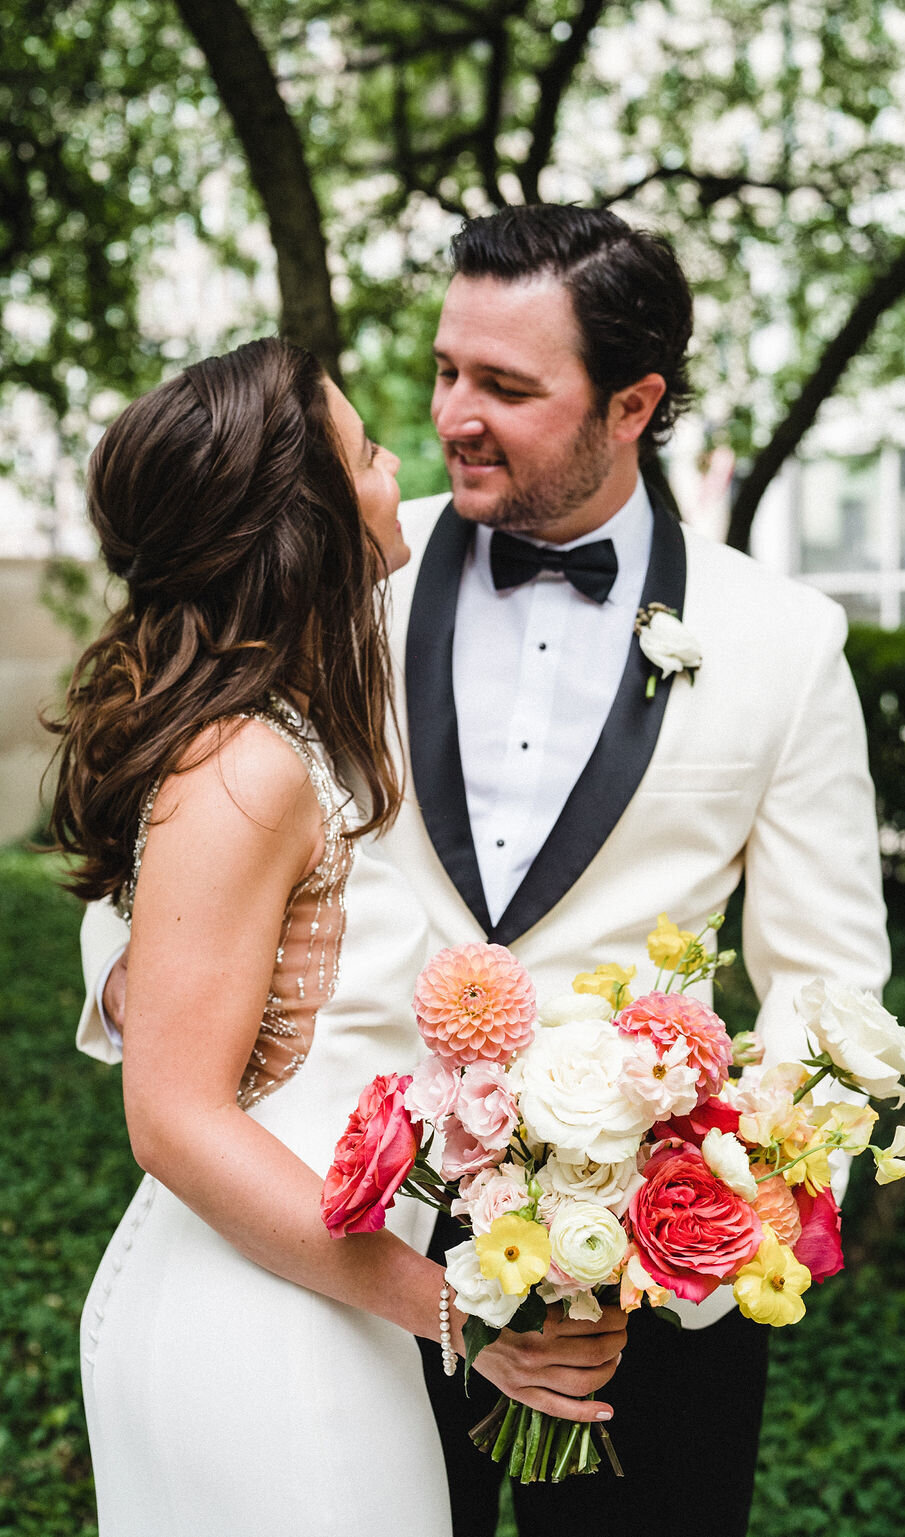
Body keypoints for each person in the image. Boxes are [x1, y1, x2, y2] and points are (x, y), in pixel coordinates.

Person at [56, 336, 627, 1537]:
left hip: (313, 1299)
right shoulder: (246, 763)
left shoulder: (275, 732)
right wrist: (458, 1313)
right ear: (305, 518)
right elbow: (174, 1116)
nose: (394, 467)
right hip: (256, 1323)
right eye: (368, 453)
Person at [377, 205, 890, 1537]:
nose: (454, 414)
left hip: (651, 1300)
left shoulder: (783, 641)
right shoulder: (341, 580)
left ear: (632, 402)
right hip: (361, 1244)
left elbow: (830, 993)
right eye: (445, 370)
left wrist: (700, 1230)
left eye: (506, 386)